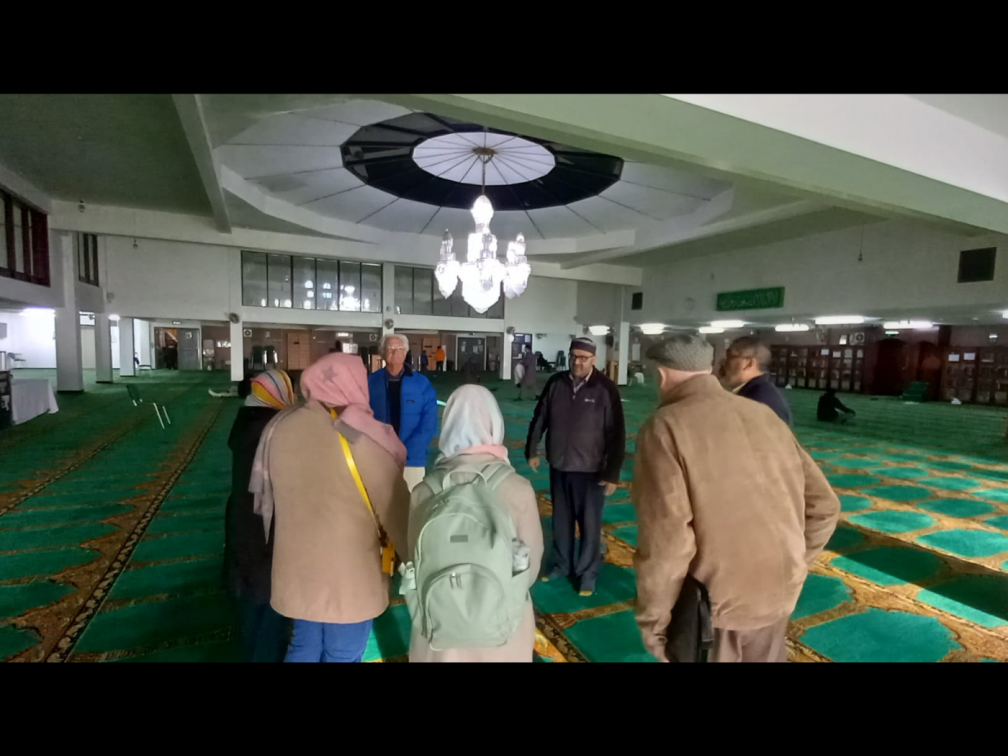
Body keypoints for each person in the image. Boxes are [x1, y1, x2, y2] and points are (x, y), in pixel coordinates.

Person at [632, 334, 840, 663]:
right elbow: (825, 508)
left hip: (716, 608)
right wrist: (793, 563)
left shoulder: (666, 427)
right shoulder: (764, 416)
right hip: (778, 595)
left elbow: (668, 542)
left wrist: (654, 622)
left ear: (661, 375)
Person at [249, 353, 410, 663]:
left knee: (303, 649)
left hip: (296, 568)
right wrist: (415, 558)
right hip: (348, 574)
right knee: (342, 654)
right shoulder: (359, 436)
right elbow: (395, 509)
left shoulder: (280, 427)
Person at [407, 385, 543, 662]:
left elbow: (413, 560)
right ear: (494, 424)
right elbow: (527, 567)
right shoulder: (517, 489)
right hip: (502, 629)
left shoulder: (423, 491)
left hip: (439, 632)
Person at [525, 336, 625, 597]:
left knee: (590, 525)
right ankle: (561, 564)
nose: (577, 362)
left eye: (583, 358)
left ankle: (587, 574)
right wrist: (532, 449)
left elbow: (617, 433)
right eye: (574, 356)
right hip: (560, 465)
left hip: (592, 471)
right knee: (561, 520)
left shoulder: (605, 389)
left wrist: (612, 473)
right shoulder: (556, 383)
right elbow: (540, 417)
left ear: (594, 360)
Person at [224, 369, 296, 662]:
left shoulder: (246, 421)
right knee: (269, 606)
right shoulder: (274, 428)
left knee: (253, 606)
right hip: (266, 526)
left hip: (242, 521)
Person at [368, 334, 438, 491]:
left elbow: (429, 422)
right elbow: (362, 416)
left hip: (412, 458)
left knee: (411, 503)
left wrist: (408, 450)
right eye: (390, 349)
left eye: (399, 349)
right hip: (378, 456)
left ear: (406, 352)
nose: (395, 352)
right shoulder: (370, 382)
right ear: (383, 353)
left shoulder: (421, 383)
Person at [719, 335, 792, 426]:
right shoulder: (755, 393)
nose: (722, 363)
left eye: (729, 357)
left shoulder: (760, 400)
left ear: (749, 364)